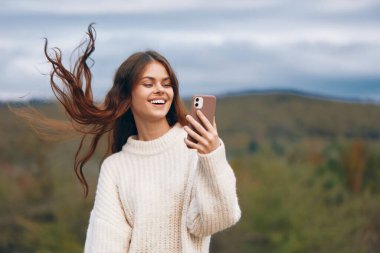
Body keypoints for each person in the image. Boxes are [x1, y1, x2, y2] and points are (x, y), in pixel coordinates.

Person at [20, 24, 241, 253]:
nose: (160, 90)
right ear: (127, 95)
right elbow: (103, 245)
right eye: (148, 84)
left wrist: (212, 154)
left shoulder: (198, 148)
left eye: (167, 84)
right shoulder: (116, 168)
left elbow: (216, 219)